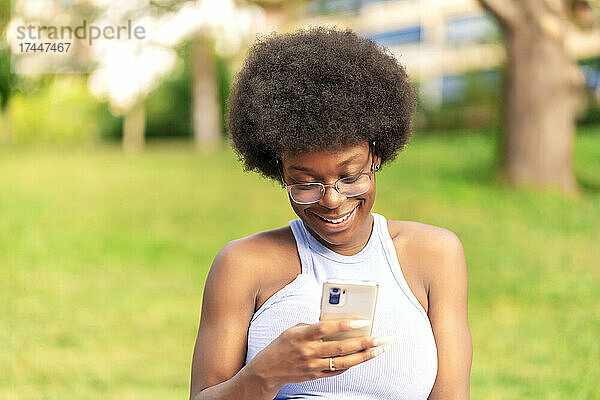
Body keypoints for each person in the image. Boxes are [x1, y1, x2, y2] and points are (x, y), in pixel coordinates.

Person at [190, 27, 472, 400]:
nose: (333, 200)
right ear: (278, 172)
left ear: (377, 154)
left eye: (350, 176)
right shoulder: (243, 265)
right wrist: (265, 374)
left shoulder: (435, 255)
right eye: (305, 183)